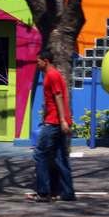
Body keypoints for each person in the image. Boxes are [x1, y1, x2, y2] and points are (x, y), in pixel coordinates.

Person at [29, 49, 76, 202]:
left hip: (54, 122)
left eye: (38, 62)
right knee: (61, 158)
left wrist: (62, 120)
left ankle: (43, 192)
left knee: (39, 153)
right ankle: (68, 193)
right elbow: (54, 97)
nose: (37, 64)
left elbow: (59, 96)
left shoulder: (52, 75)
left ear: (46, 61)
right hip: (56, 121)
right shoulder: (52, 75)